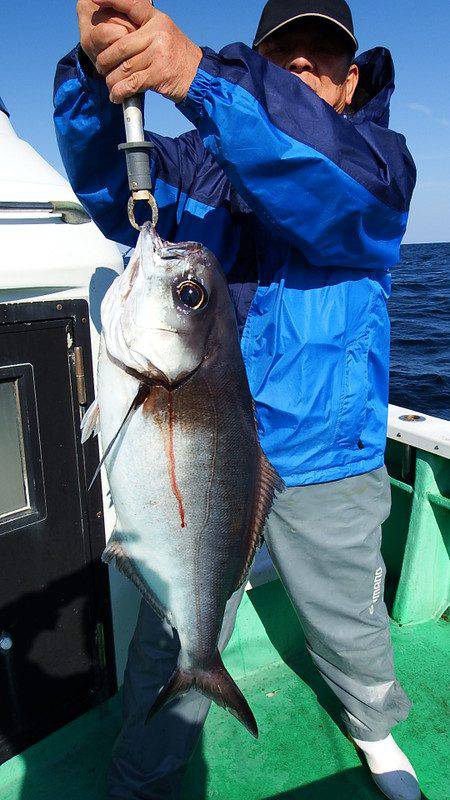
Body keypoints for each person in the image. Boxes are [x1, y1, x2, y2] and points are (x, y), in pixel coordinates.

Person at [53, 1, 420, 798]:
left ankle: (374, 727)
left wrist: (204, 81)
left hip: (328, 452)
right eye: (278, 56)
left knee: (349, 619)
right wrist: (96, 75)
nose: (297, 70)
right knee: (168, 633)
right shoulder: (195, 164)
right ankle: (141, 773)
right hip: (209, 455)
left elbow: (322, 179)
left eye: (316, 60)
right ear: (255, 63)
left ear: (350, 81)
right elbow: (115, 185)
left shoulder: (378, 165)